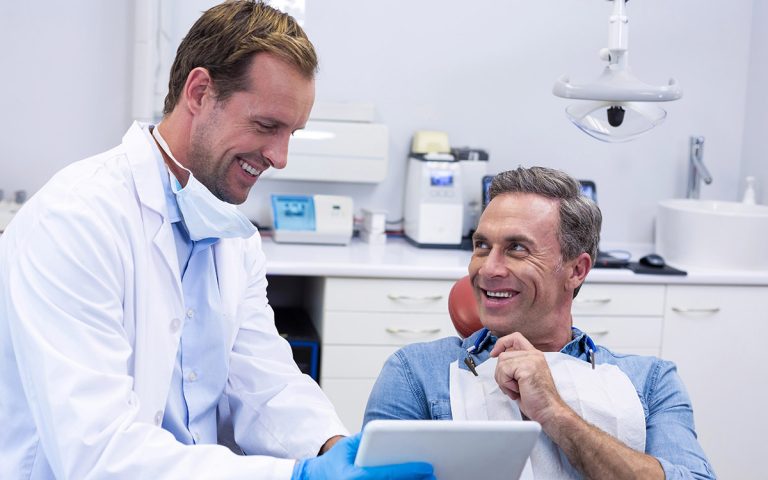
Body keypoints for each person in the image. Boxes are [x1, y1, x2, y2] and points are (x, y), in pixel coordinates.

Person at [0, 2, 433, 479]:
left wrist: (332, 449)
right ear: (200, 91)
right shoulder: (75, 221)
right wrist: (297, 477)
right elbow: (97, 454)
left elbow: (263, 380)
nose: (280, 157)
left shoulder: (228, 231)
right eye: (267, 126)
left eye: (292, 133)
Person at [364, 167, 715, 479]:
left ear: (577, 270)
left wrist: (553, 411)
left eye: (517, 248)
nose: (489, 268)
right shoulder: (417, 373)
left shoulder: (651, 381)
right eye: (482, 246)